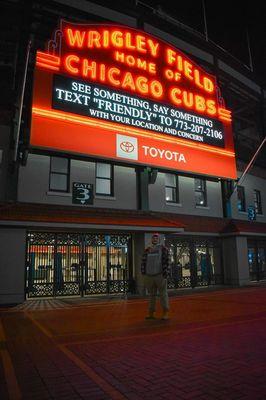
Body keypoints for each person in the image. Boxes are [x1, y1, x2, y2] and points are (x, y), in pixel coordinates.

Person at [141, 233, 170, 320]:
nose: (155, 239)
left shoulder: (163, 249)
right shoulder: (147, 250)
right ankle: (151, 313)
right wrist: (144, 273)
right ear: (151, 240)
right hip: (149, 276)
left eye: (156, 238)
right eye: (153, 238)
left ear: (159, 240)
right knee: (151, 295)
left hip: (160, 275)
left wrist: (166, 273)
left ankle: (165, 313)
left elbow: (167, 261)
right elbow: (143, 262)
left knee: (163, 295)